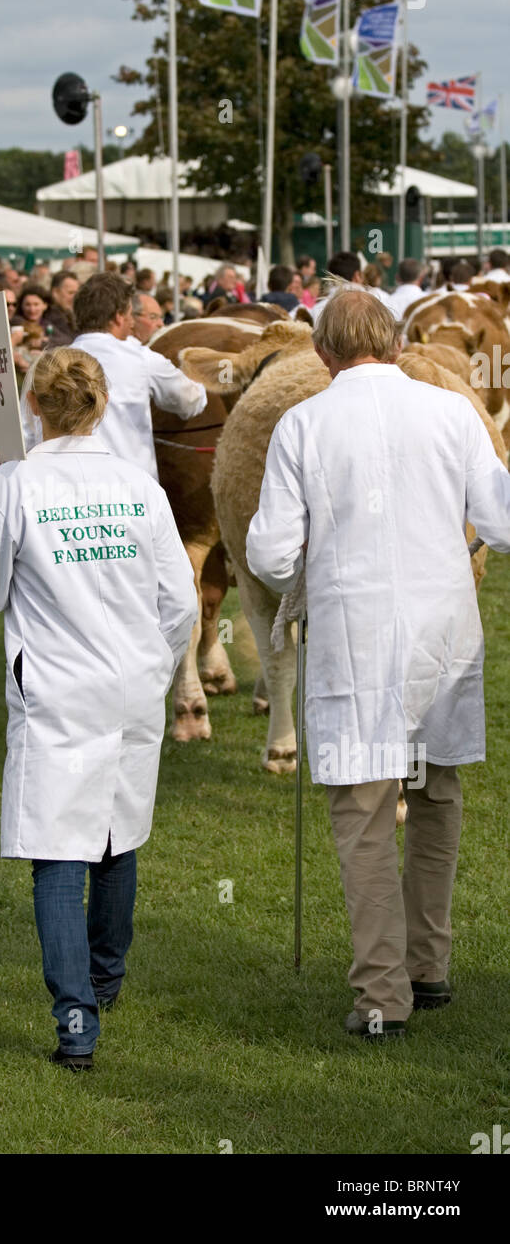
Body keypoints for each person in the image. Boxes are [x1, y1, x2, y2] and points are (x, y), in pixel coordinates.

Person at [245, 289, 510, 1040]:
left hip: (356, 636)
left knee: (363, 816)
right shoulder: (451, 412)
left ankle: (382, 995)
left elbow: (266, 550)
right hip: (441, 637)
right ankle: (430, 965)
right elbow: (502, 519)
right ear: (395, 344)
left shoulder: (303, 422)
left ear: (323, 353)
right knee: (434, 798)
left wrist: (305, 568)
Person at [0, 346, 197, 1069]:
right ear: (101, 405)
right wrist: (155, 658)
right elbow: (179, 601)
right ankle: (105, 978)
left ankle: (75, 1017)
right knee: (118, 829)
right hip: (131, 681)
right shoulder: (139, 486)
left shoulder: (12, 486)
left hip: (57, 685)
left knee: (59, 846)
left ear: (33, 403)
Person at [24, 273, 206, 480]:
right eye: (130, 313)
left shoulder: (51, 363)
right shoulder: (141, 358)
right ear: (119, 316)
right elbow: (190, 401)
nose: (132, 322)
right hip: (130, 490)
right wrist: (201, 381)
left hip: (61, 484)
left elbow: (27, 431)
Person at [43, 271, 80, 348]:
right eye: (70, 293)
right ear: (55, 292)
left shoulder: (73, 315)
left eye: (76, 293)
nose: (75, 297)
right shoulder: (45, 316)